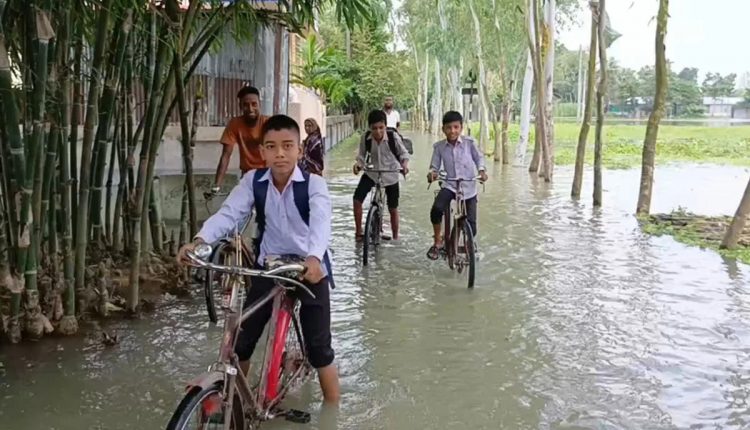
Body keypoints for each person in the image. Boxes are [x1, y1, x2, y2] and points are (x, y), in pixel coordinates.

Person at [178, 114, 340, 403]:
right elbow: (229, 214)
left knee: (319, 349)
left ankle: (332, 409)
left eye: (287, 146)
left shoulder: (313, 184)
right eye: (272, 146)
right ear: (262, 151)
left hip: (308, 269)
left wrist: (315, 258)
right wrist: (200, 241)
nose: (280, 154)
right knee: (242, 340)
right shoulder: (253, 181)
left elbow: (321, 224)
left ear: (299, 150)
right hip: (270, 267)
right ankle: (236, 405)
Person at [426, 111, 488, 260]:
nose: (452, 131)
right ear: (443, 129)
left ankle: (466, 244)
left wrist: (482, 171)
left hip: (468, 186)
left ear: (461, 127)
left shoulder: (469, 143)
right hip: (450, 185)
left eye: (456, 127)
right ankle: (438, 241)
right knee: (436, 209)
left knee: (472, 226)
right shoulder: (439, 147)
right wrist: (432, 174)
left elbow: (479, 158)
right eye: (448, 127)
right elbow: (434, 166)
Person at [352, 110, 410, 241]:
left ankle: (395, 237)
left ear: (385, 126)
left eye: (381, 128)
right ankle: (358, 232)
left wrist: (405, 165)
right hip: (372, 173)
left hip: (390, 174)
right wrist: (358, 166)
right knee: (357, 200)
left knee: (393, 208)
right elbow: (361, 157)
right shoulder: (365, 138)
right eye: (374, 128)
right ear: (369, 128)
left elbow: (404, 154)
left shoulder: (393, 137)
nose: (378, 132)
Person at [212, 86, 269, 192]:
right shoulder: (235, 124)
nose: (250, 109)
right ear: (240, 107)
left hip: (268, 174)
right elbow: (226, 156)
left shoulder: (268, 123)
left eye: (254, 104)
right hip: (247, 175)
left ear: (259, 104)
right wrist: (216, 185)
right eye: (246, 105)